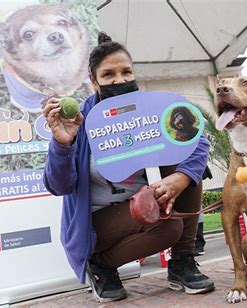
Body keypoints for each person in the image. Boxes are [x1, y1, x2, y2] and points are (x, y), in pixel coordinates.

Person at [42, 32, 215, 303]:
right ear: (93, 80)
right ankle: (101, 265)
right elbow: (58, 186)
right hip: (98, 224)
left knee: (190, 162)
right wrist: (62, 144)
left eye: (126, 72)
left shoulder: (152, 111)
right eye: (109, 74)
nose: (120, 80)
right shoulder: (80, 121)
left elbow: (197, 142)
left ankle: (182, 263)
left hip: (142, 206)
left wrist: (179, 179)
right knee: (169, 229)